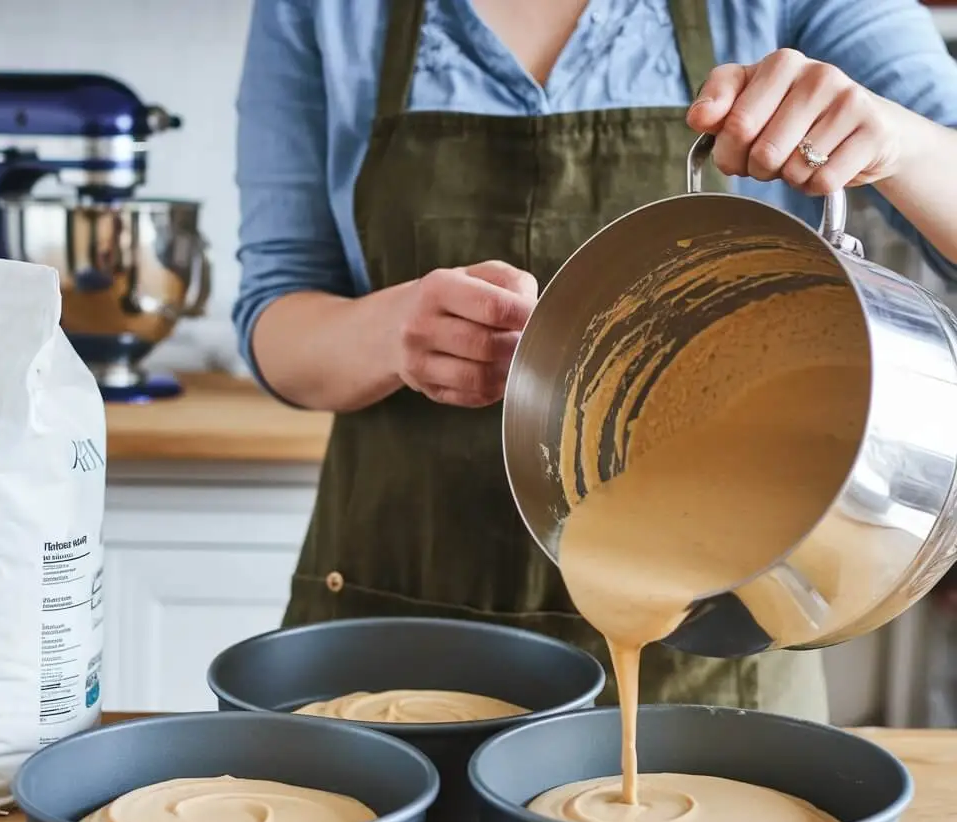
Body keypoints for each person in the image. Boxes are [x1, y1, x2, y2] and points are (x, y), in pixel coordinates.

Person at [233, 0, 957, 721]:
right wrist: (388, 333)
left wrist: (906, 145)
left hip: (706, 646)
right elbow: (276, 314)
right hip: (396, 624)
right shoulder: (321, 11)